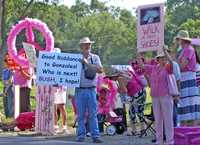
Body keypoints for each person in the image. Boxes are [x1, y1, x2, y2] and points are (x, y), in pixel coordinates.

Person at [138, 52, 174, 145]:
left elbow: (171, 62)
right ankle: (159, 141)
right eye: (161, 58)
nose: (163, 59)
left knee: (168, 119)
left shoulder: (168, 67)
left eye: (164, 58)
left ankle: (170, 141)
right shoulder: (153, 68)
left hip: (165, 95)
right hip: (155, 96)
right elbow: (141, 66)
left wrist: (165, 52)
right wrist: (139, 55)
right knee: (158, 119)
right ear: (157, 59)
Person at [75, 37, 103, 143]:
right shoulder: (75, 58)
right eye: (85, 44)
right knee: (80, 115)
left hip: (91, 90)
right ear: (81, 47)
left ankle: (95, 136)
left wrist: (86, 63)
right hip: (79, 90)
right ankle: (80, 136)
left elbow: (100, 70)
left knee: (93, 114)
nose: (88, 46)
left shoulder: (95, 58)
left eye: (89, 44)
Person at [175, 30, 200, 125]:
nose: (177, 41)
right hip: (184, 78)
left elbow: (182, 66)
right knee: (185, 104)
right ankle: (185, 129)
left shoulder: (189, 49)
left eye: (178, 39)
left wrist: (175, 66)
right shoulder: (183, 50)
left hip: (189, 78)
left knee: (191, 103)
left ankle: (194, 130)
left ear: (182, 40)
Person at [13, 49, 34, 113]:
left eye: (24, 54)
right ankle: (19, 120)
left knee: (25, 106)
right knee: (17, 106)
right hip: (17, 87)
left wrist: (21, 70)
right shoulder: (17, 64)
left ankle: (27, 120)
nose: (22, 55)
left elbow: (29, 77)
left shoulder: (29, 65)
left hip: (25, 87)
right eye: (21, 54)